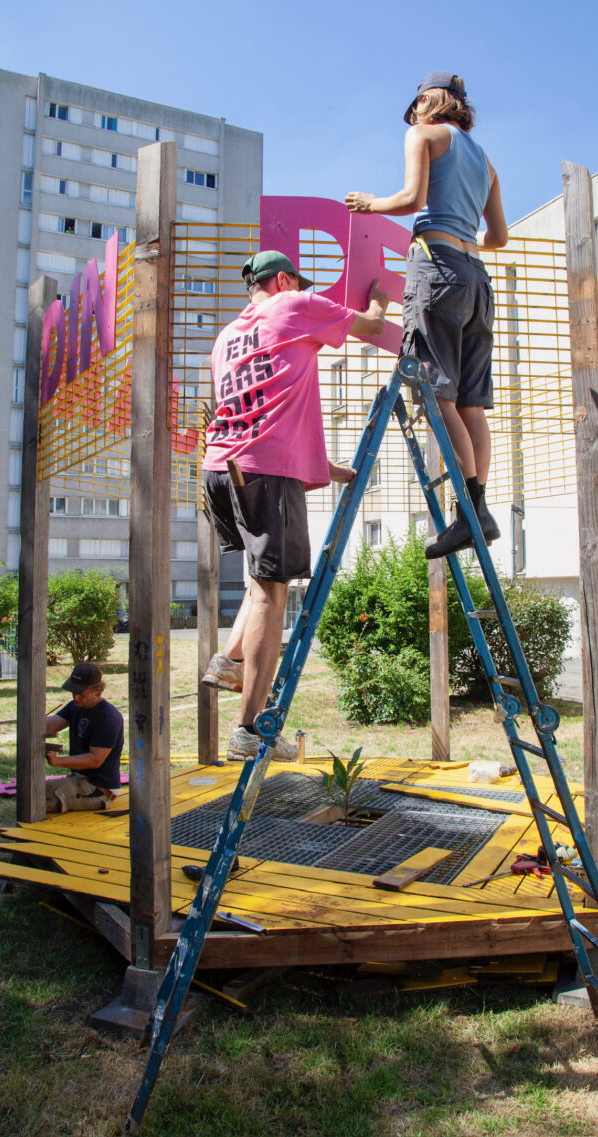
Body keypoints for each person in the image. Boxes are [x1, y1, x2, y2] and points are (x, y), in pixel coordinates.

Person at [201, 249, 387, 761]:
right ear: (283, 280)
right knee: (272, 594)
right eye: (298, 282)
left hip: (219, 467)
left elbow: (256, 407)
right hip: (264, 471)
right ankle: (249, 731)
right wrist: (380, 295)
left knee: (260, 580)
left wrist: (323, 467)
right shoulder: (296, 304)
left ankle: (229, 660)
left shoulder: (226, 338)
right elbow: (372, 325)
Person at [345, 70, 508, 559]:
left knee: (438, 394)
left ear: (428, 102)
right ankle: (479, 510)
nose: (413, 115)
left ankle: (470, 514)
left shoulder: (424, 134)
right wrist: (463, 240)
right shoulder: (486, 163)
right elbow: (499, 237)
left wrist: (370, 204)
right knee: (471, 404)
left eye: (415, 106)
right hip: (476, 279)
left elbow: (412, 199)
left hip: (437, 269)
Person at [44, 662, 124, 813]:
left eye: (81, 693)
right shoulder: (75, 706)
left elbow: (95, 760)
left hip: (99, 787)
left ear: (97, 691)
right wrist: (35, 723)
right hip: (79, 778)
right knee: (34, 791)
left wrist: (58, 761)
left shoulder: (108, 718)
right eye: (73, 692)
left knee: (39, 797)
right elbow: (48, 726)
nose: (76, 697)